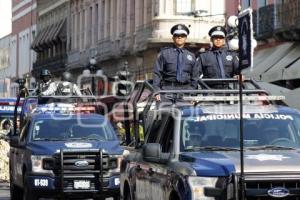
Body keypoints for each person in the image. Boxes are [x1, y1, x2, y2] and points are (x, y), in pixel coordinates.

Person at [153, 24, 199, 101]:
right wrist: (156, 91)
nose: (179, 37)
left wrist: (193, 93)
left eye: (182, 35)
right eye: (177, 35)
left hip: (185, 92)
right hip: (167, 91)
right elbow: (157, 73)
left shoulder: (191, 56)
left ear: (186, 38)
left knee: (185, 113)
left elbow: (195, 77)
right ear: (173, 37)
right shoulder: (164, 54)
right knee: (166, 113)